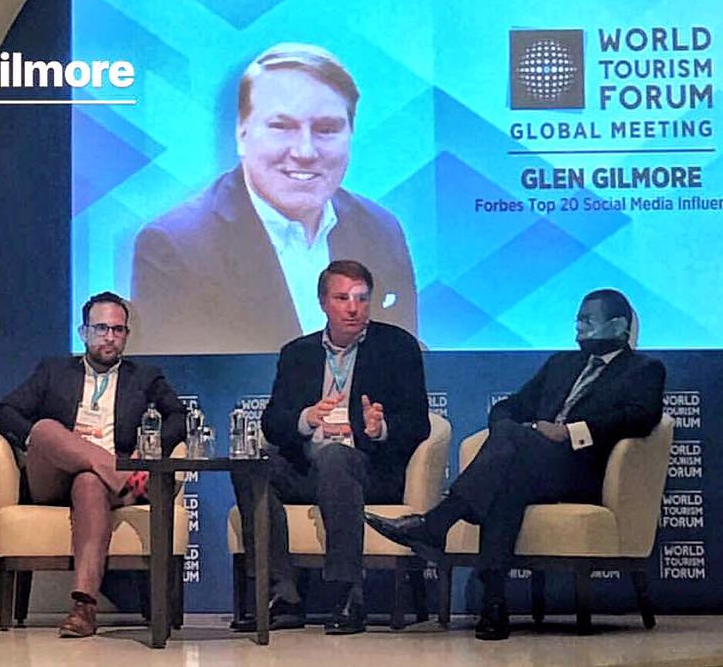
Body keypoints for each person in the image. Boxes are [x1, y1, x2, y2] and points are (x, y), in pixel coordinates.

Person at [365, 288, 666, 641]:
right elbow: (508, 407)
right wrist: (506, 435)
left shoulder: (644, 369)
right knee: (507, 477)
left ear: (617, 326)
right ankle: (494, 604)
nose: (578, 328)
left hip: (582, 470)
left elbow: (640, 417)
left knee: (509, 458)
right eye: (577, 320)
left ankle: (437, 523)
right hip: (530, 465)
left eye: (587, 320)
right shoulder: (561, 364)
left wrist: (569, 432)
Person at [129, 43, 417, 355]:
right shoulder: (174, 246)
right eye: (282, 127)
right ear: (241, 134)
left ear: (351, 135)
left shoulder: (381, 230)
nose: (305, 151)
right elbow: (184, 377)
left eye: (326, 129)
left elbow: (405, 365)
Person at [231, 260, 429, 634]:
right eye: (342, 298)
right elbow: (272, 423)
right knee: (251, 467)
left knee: (336, 457)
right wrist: (306, 418)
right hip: (307, 469)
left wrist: (380, 429)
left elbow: (418, 422)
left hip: (368, 471)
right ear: (323, 302)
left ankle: (346, 593)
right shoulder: (298, 353)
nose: (353, 308)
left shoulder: (397, 347)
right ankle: (282, 594)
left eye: (361, 298)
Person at [0, 291, 186, 638]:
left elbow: (178, 418)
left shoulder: (145, 377)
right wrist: (60, 444)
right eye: (101, 328)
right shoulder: (54, 371)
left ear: (126, 335)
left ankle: (83, 607)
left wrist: (147, 448)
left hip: (99, 489)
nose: (110, 337)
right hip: (53, 479)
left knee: (89, 481)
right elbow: (1, 412)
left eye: (118, 330)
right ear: (84, 332)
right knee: (45, 429)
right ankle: (120, 475)